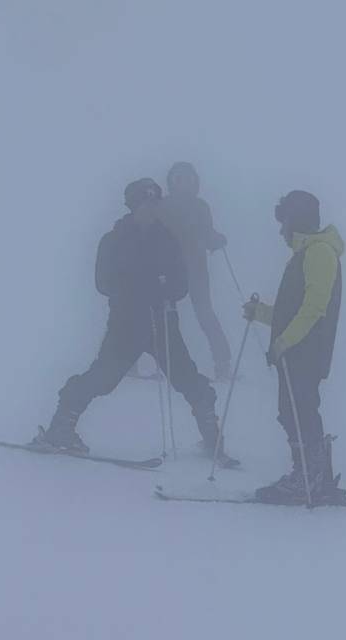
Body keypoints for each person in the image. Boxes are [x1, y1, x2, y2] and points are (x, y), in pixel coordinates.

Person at [32, 178, 238, 466]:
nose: (151, 210)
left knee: (187, 379)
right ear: (133, 206)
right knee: (102, 378)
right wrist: (142, 285)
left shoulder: (168, 239)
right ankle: (60, 430)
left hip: (163, 321)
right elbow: (103, 283)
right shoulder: (114, 239)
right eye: (145, 204)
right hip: (126, 324)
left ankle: (212, 439)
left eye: (155, 204)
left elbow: (181, 285)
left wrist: (164, 289)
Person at [243, 190, 346, 504]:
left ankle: (308, 478)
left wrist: (284, 342)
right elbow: (292, 312)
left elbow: (315, 308)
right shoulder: (308, 253)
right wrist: (261, 314)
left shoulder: (319, 253)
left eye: (284, 221)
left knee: (299, 410)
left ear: (295, 220)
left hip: (306, 351)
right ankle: (315, 476)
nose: (281, 231)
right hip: (297, 350)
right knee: (294, 410)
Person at [154, 162, 232, 380]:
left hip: (195, 269)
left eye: (188, 179)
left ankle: (222, 363)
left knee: (204, 313)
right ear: (171, 182)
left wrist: (215, 240)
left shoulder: (199, 207)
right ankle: (161, 363)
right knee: (164, 314)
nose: (184, 183)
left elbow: (207, 234)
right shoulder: (164, 206)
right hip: (170, 269)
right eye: (179, 179)